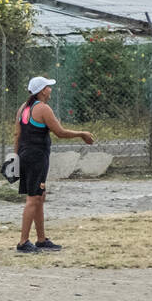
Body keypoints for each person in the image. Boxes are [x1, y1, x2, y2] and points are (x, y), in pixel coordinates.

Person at [14, 77, 94, 254]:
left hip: (25, 154)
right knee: (33, 198)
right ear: (42, 91)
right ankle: (23, 242)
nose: (50, 89)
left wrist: (15, 157)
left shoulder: (23, 108)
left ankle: (41, 239)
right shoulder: (42, 108)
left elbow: (17, 135)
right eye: (48, 87)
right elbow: (60, 132)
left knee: (39, 196)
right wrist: (82, 133)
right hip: (36, 156)